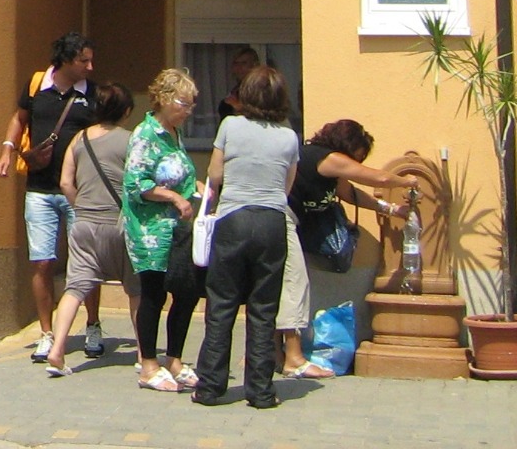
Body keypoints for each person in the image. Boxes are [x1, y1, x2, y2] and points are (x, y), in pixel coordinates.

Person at [192, 65, 300, 409]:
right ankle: (261, 391)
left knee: (221, 304)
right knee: (264, 308)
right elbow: (287, 186)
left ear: (246, 94)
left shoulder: (230, 125)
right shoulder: (289, 137)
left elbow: (215, 174)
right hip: (271, 221)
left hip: (233, 218)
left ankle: (210, 387)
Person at [0, 32, 103, 361]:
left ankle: (93, 325)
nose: (90, 66)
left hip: (78, 192)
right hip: (40, 190)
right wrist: (7, 150)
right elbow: (19, 118)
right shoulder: (36, 85)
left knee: (85, 262)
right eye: (83, 60)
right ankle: (46, 332)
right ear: (66, 60)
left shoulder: (91, 93)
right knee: (42, 262)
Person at [278, 118, 413, 379]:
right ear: (347, 146)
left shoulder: (330, 168)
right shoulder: (326, 158)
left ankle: (274, 355)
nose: (358, 162)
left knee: (281, 288)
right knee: (294, 285)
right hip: (281, 220)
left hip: (291, 224)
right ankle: (293, 359)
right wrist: (406, 182)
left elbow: (350, 193)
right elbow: (380, 177)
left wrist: (391, 209)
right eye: (358, 156)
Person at [43, 81, 139, 377]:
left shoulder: (79, 139)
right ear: (125, 111)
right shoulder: (131, 140)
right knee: (135, 290)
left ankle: (57, 350)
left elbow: (65, 182)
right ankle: (144, 353)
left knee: (75, 288)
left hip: (84, 224)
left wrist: (80, 206)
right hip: (120, 224)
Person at [122, 68, 203, 393]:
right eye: (184, 103)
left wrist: (194, 188)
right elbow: (135, 184)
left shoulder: (173, 134)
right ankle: (149, 365)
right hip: (150, 230)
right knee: (153, 293)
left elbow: (177, 174)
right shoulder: (146, 135)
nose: (188, 111)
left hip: (176, 229)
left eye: (192, 105)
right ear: (165, 99)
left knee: (186, 291)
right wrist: (173, 197)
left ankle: (175, 359)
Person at [216, 47, 262, 124]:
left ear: (254, 66)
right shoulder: (235, 91)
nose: (239, 67)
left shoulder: (261, 90)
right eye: (236, 63)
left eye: (244, 63)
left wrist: (239, 108)